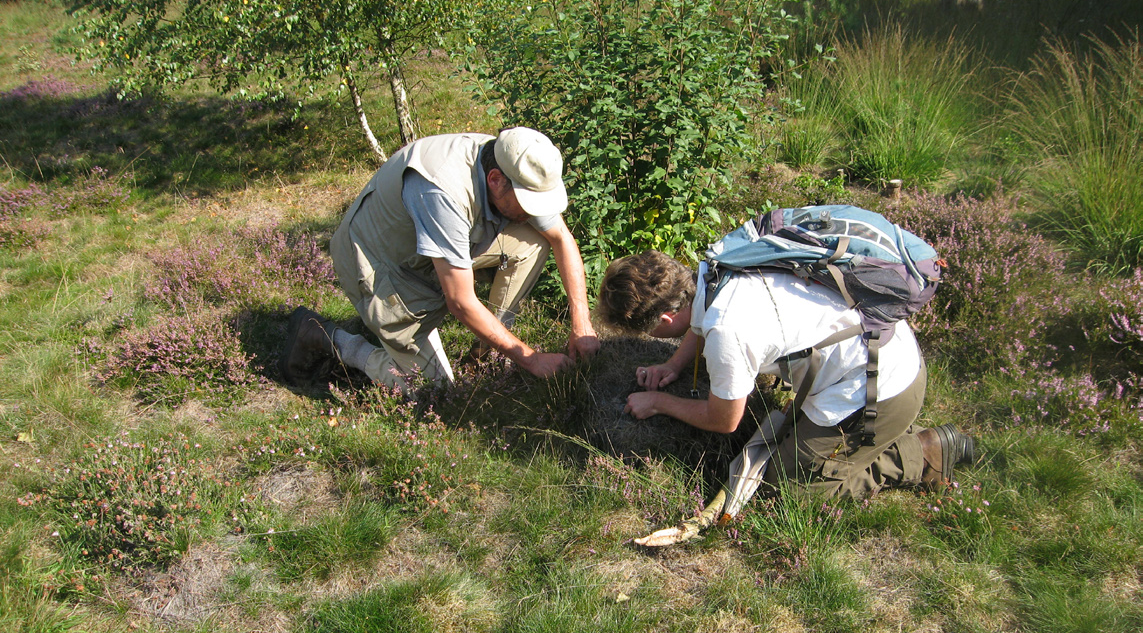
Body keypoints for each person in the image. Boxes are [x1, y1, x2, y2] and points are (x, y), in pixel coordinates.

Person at [596, 249, 975, 500]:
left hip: (883, 386)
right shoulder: (718, 265)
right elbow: (696, 321)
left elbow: (724, 420)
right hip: (886, 341)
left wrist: (659, 402)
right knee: (794, 452)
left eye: (651, 332)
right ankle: (875, 440)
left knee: (787, 492)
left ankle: (922, 452)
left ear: (664, 319)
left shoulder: (727, 331)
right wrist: (673, 365)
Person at [281, 127, 600, 390]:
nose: (534, 212)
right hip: (382, 267)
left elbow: (561, 238)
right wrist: (531, 359)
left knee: (534, 241)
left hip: (433, 253)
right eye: (527, 203)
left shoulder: (511, 162)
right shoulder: (443, 191)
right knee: (434, 392)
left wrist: (581, 323)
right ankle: (326, 337)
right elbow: (460, 302)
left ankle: (486, 355)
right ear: (495, 181)